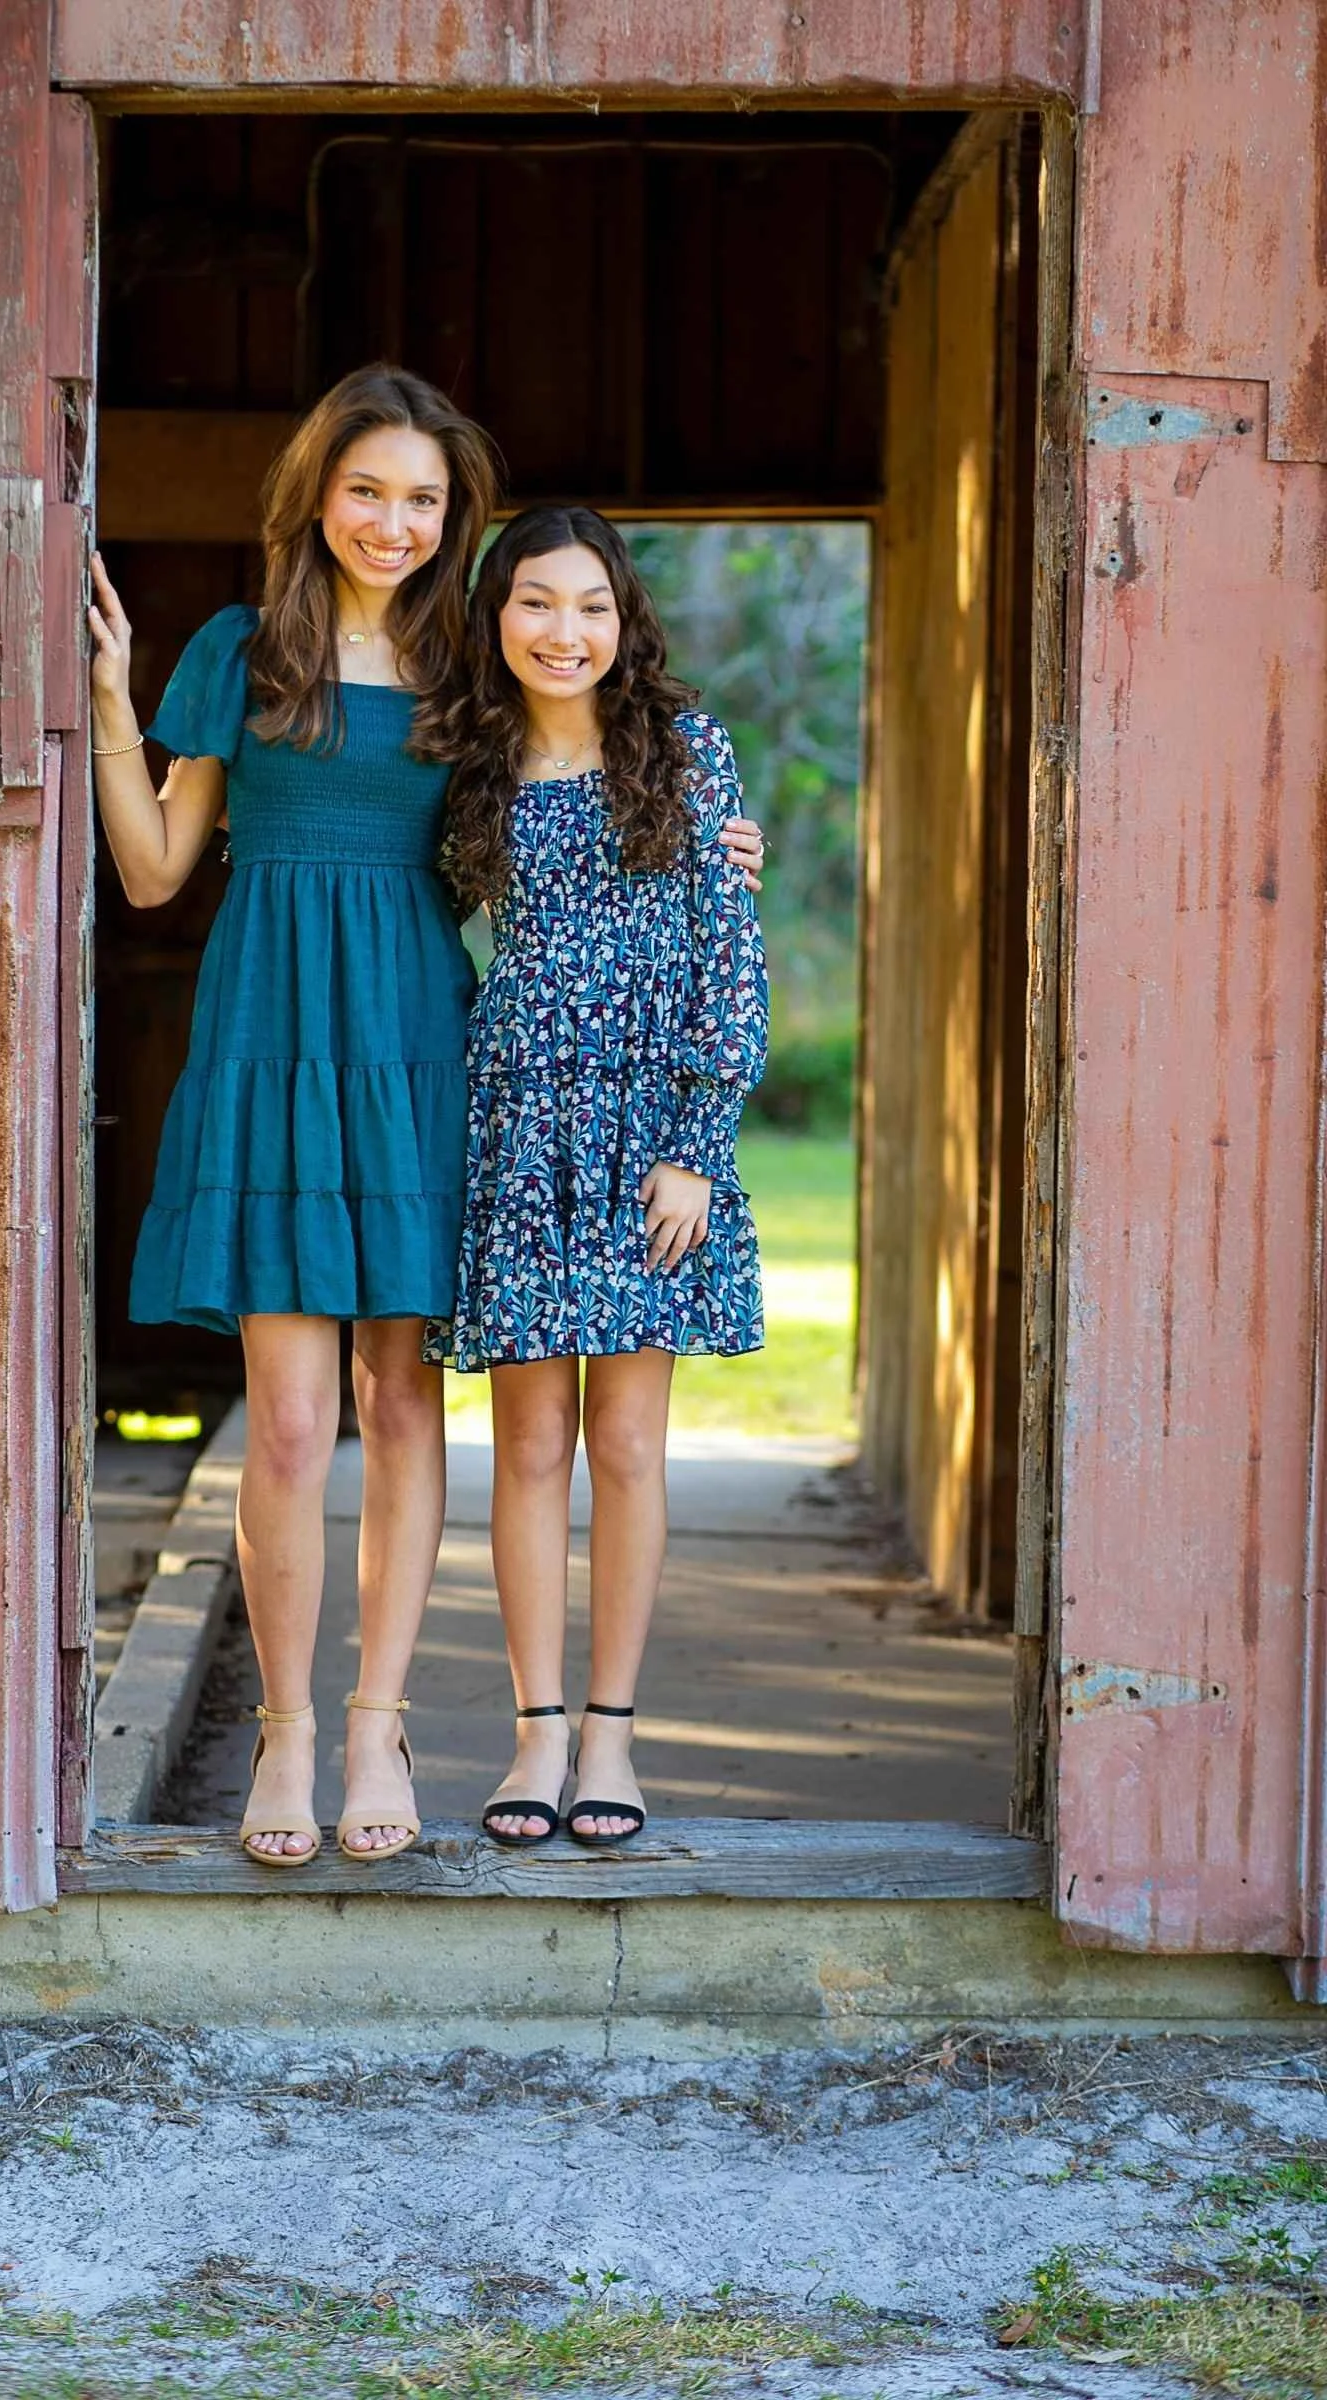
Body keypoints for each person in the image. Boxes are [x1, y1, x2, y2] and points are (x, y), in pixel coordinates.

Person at [88, 364, 500, 1866]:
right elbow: (149, 872)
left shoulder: (477, 658)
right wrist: (106, 709)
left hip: (411, 1048)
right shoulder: (240, 651)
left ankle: (379, 1728)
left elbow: (570, 816)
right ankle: (285, 1737)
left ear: (454, 520)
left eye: (424, 500)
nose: (395, 522)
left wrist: (713, 834)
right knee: (288, 1417)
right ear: (318, 496)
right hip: (270, 1041)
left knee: (402, 1400)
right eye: (370, 490)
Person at [428, 505, 769, 1849]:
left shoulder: (690, 756)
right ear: (496, 615)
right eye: (534, 603)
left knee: (625, 1444)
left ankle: (614, 1736)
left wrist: (698, 1140)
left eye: (589, 607)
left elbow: (731, 960)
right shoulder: (465, 767)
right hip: (521, 1129)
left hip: (651, 1141)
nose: (562, 632)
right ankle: (533, 1735)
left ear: (623, 622)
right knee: (527, 1445)